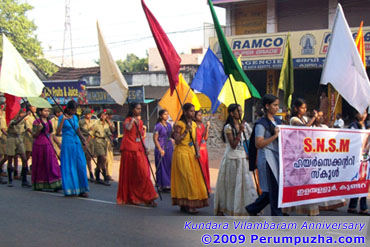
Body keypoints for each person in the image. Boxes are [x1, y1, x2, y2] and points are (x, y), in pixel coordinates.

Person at [215, 104, 257, 216]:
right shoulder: (228, 127)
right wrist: (239, 131)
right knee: (232, 186)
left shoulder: (244, 125)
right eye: (238, 111)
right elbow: (233, 144)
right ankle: (227, 208)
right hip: (232, 159)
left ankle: (247, 209)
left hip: (243, 158)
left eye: (241, 110)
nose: (240, 113)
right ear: (231, 113)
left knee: (246, 185)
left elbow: (250, 138)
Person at [245, 95, 282, 216]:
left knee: (271, 190)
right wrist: (274, 136)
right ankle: (277, 217)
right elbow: (258, 143)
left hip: (277, 158)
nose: (277, 107)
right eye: (275, 105)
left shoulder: (278, 121)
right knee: (274, 188)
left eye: (277, 105)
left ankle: (252, 208)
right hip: (267, 159)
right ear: (267, 106)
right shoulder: (261, 124)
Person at [117, 103, 157, 207]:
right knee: (132, 175)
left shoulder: (140, 122)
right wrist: (132, 121)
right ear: (133, 110)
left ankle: (148, 196)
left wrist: (145, 147)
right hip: (129, 150)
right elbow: (128, 129)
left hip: (138, 149)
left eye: (140, 109)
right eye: (137, 109)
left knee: (143, 174)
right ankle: (134, 197)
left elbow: (139, 136)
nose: (139, 110)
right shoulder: (127, 120)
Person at [171, 103, 208, 214]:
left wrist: (197, 151)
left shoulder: (194, 124)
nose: (192, 113)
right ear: (185, 111)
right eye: (191, 111)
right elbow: (177, 140)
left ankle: (185, 203)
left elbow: (196, 140)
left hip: (191, 153)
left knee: (194, 177)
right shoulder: (179, 124)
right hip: (181, 152)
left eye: (193, 111)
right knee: (186, 178)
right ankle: (189, 203)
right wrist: (186, 130)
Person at [289, 98, 320, 216]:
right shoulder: (294, 119)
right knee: (299, 183)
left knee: (310, 181)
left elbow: (315, 125)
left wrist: (317, 117)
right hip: (298, 154)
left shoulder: (306, 118)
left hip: (308, 153)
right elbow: (304, 128)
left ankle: (311, 210)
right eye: (302, 108)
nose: (304, 110)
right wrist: (313, 118)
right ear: (296, 108)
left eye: (305, 108)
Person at [57, 100, 89, 197]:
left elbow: (77, 129)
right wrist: (63, 120)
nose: (74, 112)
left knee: (81, 165)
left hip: (76, 142)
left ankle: (82, 189)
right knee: (69, 166)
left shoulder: (75, 117)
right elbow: (58, 132)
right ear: (69, 109)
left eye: (75, 110)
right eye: (73, 110)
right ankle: (70, 189)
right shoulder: (61, 117)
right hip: (67, 142)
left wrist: (83, 139)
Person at [31, 108, 62, 191]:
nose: (47, 112)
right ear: (40, 112)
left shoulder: (49, 122)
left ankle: (55, 183)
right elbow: (34, 135)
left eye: (48, 111)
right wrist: (39, 129)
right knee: (40, 165)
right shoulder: (36, 122)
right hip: (39, 145)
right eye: (45, 111)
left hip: (48, 144)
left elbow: (51, 134)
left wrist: (56, 144)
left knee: (52, 163)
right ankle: (39, 184)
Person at [347, 111, 370, 215]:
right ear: (356, 114)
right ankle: (357, 206)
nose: (364, 115)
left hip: (366, 157)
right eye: (361, 112)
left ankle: (358, 206)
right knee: (357, 181)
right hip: (356, 157)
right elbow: (352, 139)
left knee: (364, 181)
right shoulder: (353, 126)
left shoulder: (367, 125)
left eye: (365, 112)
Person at [6, 108, 31, 187]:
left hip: (19, 138)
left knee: (24, 158)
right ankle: (10, 179)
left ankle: (24, 179)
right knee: (10, 159)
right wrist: (25, 116)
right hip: (11, 138)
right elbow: (15, 123)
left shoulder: (23, 120)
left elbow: (27, 127)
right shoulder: (11, 120)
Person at [153, 109, 174, 192]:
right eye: (165, 114)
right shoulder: (158, 126)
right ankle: (161, 185)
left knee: (169, 166)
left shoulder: (169, 125)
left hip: (169, 147)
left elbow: (172, 135)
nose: (167, 116)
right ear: (161, 116)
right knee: (161, 166)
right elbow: (155, 139)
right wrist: (159, 149)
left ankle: (169, 183)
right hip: (161, 147)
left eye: (168, 114)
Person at [90, 110, 111, 186]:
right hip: (98, 141)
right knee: (103, 158)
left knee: (99, 160)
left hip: (104, 141)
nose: (104, 116)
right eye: (102, 115)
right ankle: (105, 176)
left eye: (105, 115)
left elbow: (109, 133)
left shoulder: (106, 124)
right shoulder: (96, 124)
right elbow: (91, 133)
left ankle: (97, 176)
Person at [194, 110, 211, 193]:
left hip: (204, 149)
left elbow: (205, 138)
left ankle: (206, 186)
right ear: (195, 116)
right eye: (198, 115)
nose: (200, 117)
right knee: (200, 169)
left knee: (205, 168)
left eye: (201, 115)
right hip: (198, 149)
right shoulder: (193, 126)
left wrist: (207, 128)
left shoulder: (202, 125)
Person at [79, 108, 95, 182]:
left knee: (89, 158)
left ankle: (91, 172)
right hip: (83, 139)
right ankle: (83, 173)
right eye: (88, 114)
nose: (89, 115)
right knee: (83, 157)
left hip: (91, 140)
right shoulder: (81, 122)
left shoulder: (93, 122)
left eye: (90, 114)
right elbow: (78, 130)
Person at [24, 105, 36, 173]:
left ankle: (32, 167)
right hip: (29, 137)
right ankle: (25, 168)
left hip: (35, 137)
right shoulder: (27, 117)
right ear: (30, 107)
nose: (35, 108)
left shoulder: (36, 116)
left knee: (34, 154)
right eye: (33, 106)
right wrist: (34, 134)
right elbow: (28, 128)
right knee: (27, 154)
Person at [105, 109, 115, 181]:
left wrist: (109, 123)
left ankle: (109, 174)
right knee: (103, 158)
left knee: (110, 158)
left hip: (109, 141)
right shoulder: (101, 122)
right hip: (102, 141)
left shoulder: (111, 122)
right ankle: (103, 172)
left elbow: (113, 130)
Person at [0, 105, 8, 184]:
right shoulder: (2, 117)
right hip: (2, 138)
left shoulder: (5, 116)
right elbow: (3, 129)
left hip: (4, 139)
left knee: (5, 156)